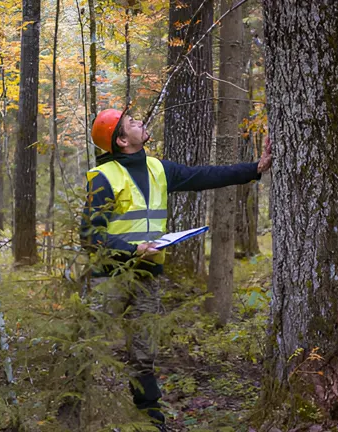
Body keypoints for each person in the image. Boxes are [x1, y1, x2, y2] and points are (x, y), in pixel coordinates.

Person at [80, 108, 272, 429]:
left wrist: (255, 168)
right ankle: (69, 411)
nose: (139, 121)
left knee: (143, 352)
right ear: (123, 140)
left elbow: (204, 176)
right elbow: (89, 236)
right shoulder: (105, 177)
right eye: (131, 122)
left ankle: (151, 422)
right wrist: (132, 249)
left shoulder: (158, 169)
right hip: (109, 279)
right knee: (86, 345)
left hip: (147, 278)